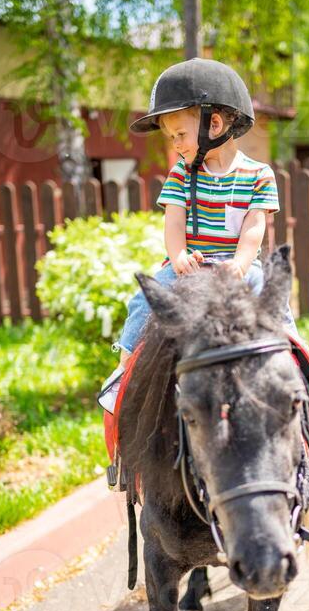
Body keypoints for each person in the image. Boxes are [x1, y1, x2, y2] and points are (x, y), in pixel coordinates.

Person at [97, 56, 298, 413]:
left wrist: (239, 264)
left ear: (215, 124)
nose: (175, 143)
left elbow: (255, 227)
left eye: (179, 135)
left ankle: (293, 363)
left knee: (272, 297)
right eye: (171, 137)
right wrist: (178, 257)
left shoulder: (259, 175)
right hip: (191, 264)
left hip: (237, 264)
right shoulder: (181, 174)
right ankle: (125, 371)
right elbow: (173, 223)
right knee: (145, 298)